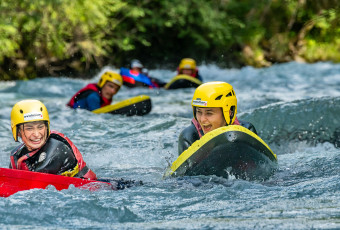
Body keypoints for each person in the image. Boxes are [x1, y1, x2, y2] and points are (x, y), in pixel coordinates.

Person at [9, 99, 97, 180]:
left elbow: (37, 180)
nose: (36, 134)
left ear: (47, 128)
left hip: (88, 190)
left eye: (40, 127)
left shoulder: (58, 148)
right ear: (18, 132)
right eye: (29, 128)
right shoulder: (18, 155)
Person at [178, 81, 257, 155]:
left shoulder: (246, 131)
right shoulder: (189, 137)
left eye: (209, 113)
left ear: (229, 113)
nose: (202, 119)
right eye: (199, 112)